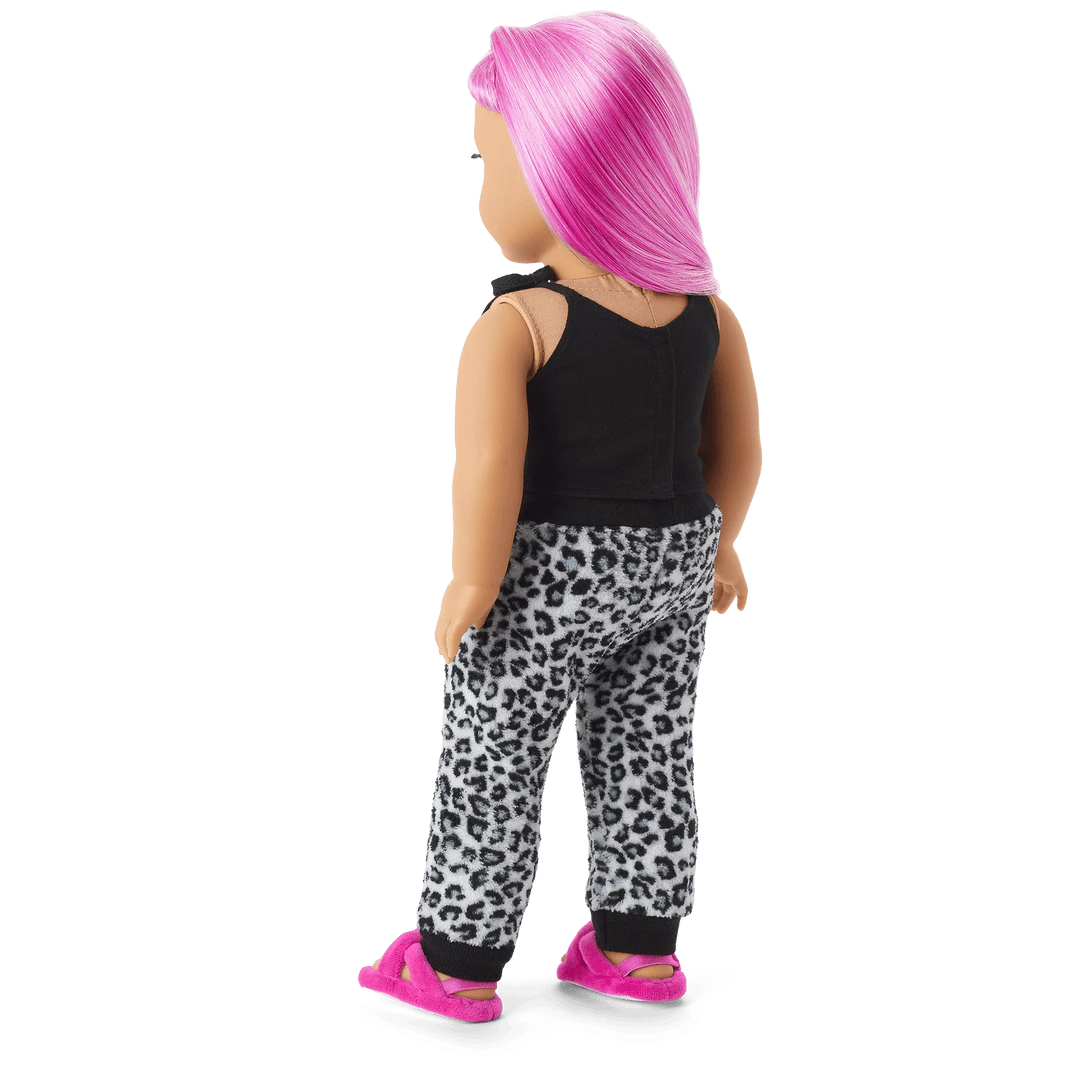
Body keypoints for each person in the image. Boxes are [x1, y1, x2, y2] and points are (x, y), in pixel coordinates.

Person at [357, 11, 762, 1023]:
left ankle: (455, 963)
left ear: (560, 168)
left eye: (486, 161)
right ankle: (639, 952)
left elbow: (492, 471)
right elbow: (738, 446)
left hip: (547, 577)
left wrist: (472, 582)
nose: (478, 186)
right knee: (650, 747)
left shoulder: (519, 323)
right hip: (672, 565)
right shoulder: (705, 312)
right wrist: (727, 544)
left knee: (494, 752)